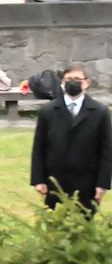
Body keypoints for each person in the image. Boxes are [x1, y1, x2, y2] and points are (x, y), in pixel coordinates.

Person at [30, 62, 111, 211]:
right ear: (62, 82)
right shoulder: (48, 111)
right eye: (68, 79)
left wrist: (103, 184)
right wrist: (38, 180)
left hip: (87, 184)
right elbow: (39, 148)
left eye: (77, 79)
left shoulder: (100, 113)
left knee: (84, 229)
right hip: (55, 183)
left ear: (87, 83)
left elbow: (106, 151)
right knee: (55, 229)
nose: (72, 82)